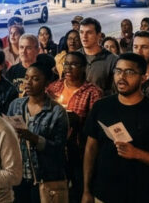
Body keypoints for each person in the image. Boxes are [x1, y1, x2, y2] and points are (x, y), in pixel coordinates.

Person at [82, 53, 149, 203]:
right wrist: (87, 190)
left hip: (143, 195)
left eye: (129, 72)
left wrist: (137, 153)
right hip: (103, 193)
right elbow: (90, 149)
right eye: (118, 71)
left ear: (144, 77)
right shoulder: (101, 107)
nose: (122, 77)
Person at [7, 63, 69, 202]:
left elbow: (59, 149)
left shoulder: (57, 111)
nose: (28, 82)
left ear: (46, 82)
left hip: (44, 177)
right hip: (19, 175)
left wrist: (34, 138)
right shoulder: (16, 105)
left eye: (35, 79)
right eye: (26, 77)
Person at [46, 51, 103, 203]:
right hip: (55, 152)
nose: (68, 68)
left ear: (84, 68)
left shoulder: (93, 92)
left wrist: (76, 121)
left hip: (78, 152)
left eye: (74, 64)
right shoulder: (53, 88)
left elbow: (95, 128)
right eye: (66, 64)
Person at [79, 18, 117, 94]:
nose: (84, 36)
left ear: (98, 35)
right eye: (81, 32)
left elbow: (115, 90)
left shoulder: (112, 60)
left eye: (89, 33)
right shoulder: (75, 57)